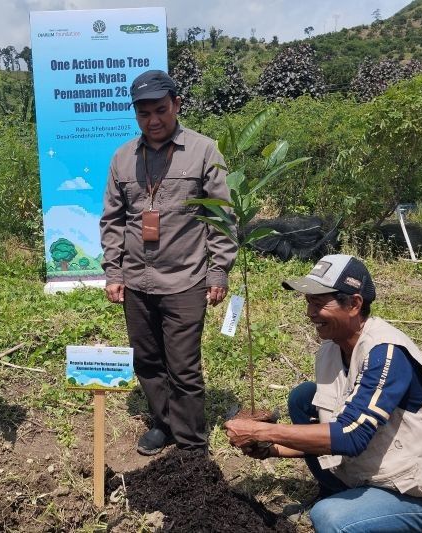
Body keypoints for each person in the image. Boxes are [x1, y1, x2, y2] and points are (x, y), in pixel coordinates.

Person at [224, 254, 422, 531]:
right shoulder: (332, 348)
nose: (309, 313)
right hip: (379, 468)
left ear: (354, 304)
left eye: (318, 303)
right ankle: (339, 492)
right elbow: (331, 425)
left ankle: (364, 514)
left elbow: (351, 436)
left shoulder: (386, 353)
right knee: (304, 398)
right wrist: (272, 449)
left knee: (331, 518)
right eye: (308, 302)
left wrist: (260, 432)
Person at [100, 70, 237, 455]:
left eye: (161, 110)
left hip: (185, 279)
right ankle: (163, 423)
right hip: (136, 281)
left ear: (176, 105)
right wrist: (113, 270)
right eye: (143, 113)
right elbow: (112, 219)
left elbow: (222, 215)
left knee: (184, 367)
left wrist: (219, 269)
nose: (153, 120)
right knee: (147, 361)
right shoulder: (123, 157)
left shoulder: (203, 151)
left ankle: (192, 443)